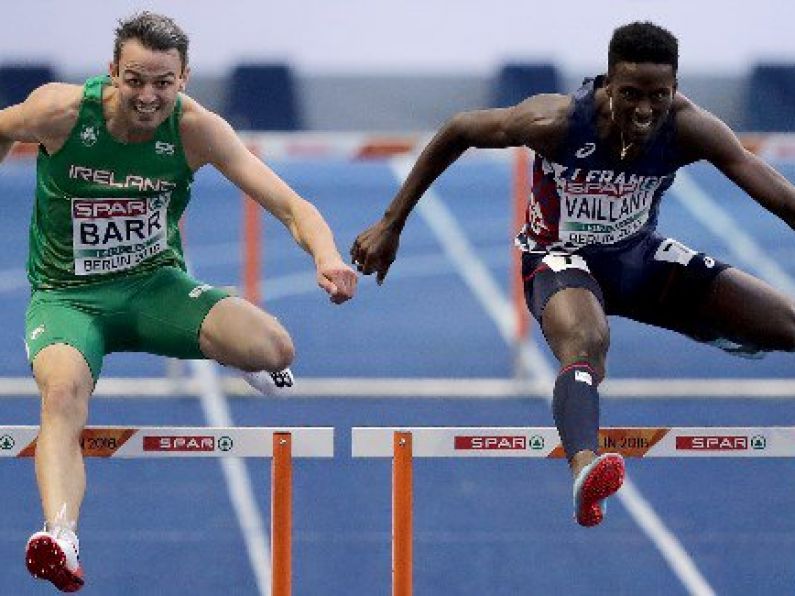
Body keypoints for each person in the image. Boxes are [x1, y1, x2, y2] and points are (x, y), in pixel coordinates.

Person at [351, 21, 795, 528]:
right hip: (558, 258)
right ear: (608, 84)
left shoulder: (689, 126)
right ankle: (586, 469)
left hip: (640, 259)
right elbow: (459, 129)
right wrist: (391, 224)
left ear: (674, 89)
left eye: (659, 95)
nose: (645, 110)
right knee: (585, 340)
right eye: (630, 94)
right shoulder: (556, 122)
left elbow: (779, 196)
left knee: (786, 321)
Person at [0, 12, 357, 592]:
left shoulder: (197, 130)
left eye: (162, 83)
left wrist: (327, 258)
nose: (147, 96)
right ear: (113, 71)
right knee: (61, 392)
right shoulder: (59, 113)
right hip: (68, 298)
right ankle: (60, 535)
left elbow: (291, 205)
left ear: (184, 78)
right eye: (135, 80)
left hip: (154, 286)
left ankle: (243, 358)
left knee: (275, 347)